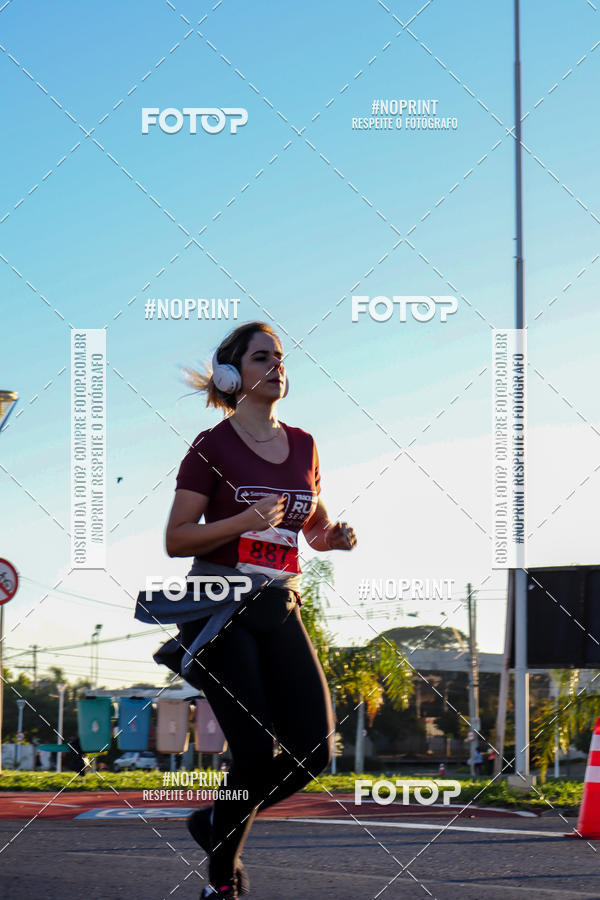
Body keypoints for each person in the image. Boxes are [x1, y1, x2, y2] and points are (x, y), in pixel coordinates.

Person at [163, 321, 357, 899]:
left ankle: (210, 822)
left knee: (314, 751)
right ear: (232, 375)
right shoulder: (211, 447)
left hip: (279, 602)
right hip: (219, 606)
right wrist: (245, 521)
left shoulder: (304, 445)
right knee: (251, 751)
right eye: (261, 357)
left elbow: (312, 527)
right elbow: (177, 538)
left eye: (281, 357)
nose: (276, 366)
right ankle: (222, 883)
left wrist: (335, 538)